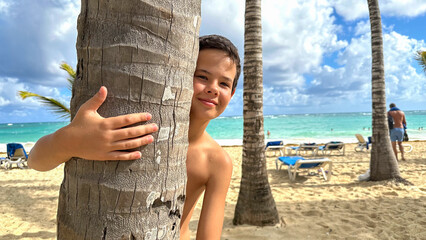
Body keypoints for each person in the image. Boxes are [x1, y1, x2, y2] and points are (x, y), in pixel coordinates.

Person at [27, 34, 241, 240]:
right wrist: (72, 141)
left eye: (224, 84)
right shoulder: (136, 127)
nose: (213, 88)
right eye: (202, 76)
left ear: (231, 95)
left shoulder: (217, 161)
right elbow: (35, 160)